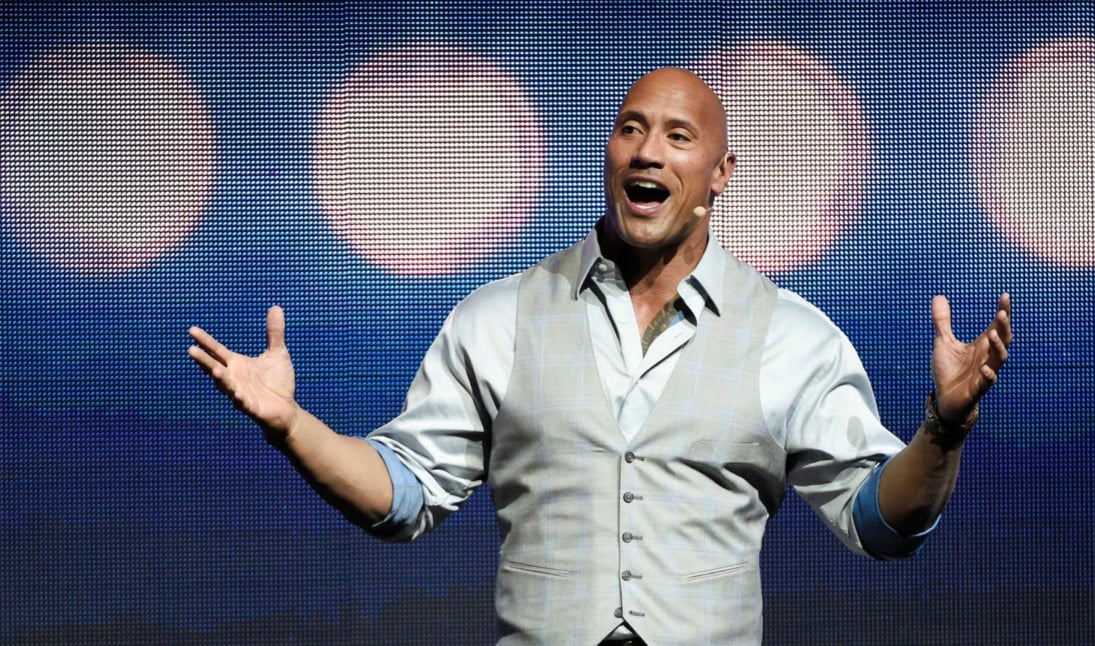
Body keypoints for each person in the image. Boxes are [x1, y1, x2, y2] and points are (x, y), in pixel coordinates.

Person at [188, 67, 1012, 645]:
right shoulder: (498, 316)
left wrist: (943, 430)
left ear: (721, 173)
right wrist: (291, 426)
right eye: (631, 129)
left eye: (678, 136)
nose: (648, 151)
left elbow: (879, 522)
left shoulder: (793, 337)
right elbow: (403, 497)